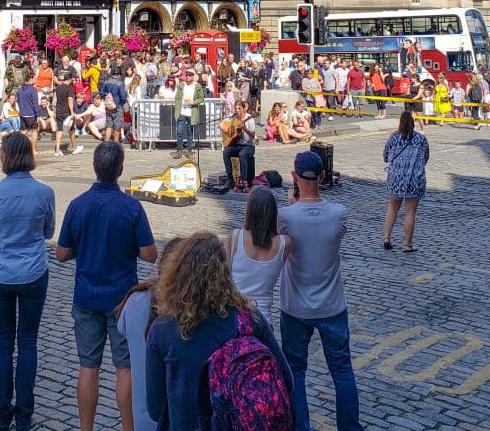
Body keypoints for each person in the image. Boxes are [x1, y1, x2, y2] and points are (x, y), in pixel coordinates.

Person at [146, 232, 292, 431]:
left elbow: (155, 408)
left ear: (177, 272)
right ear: (225, 272)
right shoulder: (249, 318)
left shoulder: (163, 330)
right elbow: (286, 379)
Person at [57, 141, 157, 431]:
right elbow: (150, 255)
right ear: (120, 169)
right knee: (124, 368)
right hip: (122, 299)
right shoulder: (131, 206)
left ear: (95, 168)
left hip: (87, 296)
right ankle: (129, 427)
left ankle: (86, 428)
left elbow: (61, 253)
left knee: (88, 367)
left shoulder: (77, 205)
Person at [278, 150, 364, 431]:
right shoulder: (339, 214)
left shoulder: (285, 217)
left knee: (296, 371)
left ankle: (302, 426)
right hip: (331, 305)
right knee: (341, 370)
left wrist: (292, 204)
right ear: (323, 176)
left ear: (294, 177)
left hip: (295, 306)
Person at [0, 133, 55, 431]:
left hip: (0, 271)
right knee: (27, 342)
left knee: (3, 342)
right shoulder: (44, 193)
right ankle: (24, 415)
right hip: (33, 271)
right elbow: (49, 231)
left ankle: (2, 414)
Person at [116, 239, 182, 431]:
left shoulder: (135, 301)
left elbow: (122, 327)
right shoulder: (188, 313)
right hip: (173, 418)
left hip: (142, 417)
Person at [225, 186, 291, 322]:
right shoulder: (284, 244)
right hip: (263, 319)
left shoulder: (235, 237)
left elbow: (223, 276)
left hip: (235, 316)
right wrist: (293, 204)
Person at [383, 110, 430, 252]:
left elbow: (385, 156)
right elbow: (426, 157)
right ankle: (407, 244)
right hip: (414, 179)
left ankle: (386, 237)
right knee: (410, 212)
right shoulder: (421, 139)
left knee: (392, 208)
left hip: (396, 177)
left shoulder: (394, 138)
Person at [222, 99, 256, 191]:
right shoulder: (233, 117)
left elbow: (253, 136)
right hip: (237, 145)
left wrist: (244, 129)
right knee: (226, 152)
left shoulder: (250, 118)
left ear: (244, 108)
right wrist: (225, 129)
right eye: (236, 108)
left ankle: (244, 180)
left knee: (242, 154)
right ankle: (230, 178)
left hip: (248, 146)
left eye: (239, 108)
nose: (237, 110)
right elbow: (221, 124)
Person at [171, 69, 204, 159]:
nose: (188, 76)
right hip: (182, 112)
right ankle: (179, 151)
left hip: (191, 112)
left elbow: (201, 98)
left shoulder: (197, 86)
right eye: (187, 75)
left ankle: (189, 151)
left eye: (190, 75)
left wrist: (193, 102)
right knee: (179, 131)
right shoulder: (182, 85)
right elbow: (177, 97)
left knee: (190, 132)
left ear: (193, 76)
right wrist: (177, 106)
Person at [17, 74, 41, 155]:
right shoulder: (33, 90)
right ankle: (33, 150)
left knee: (23, 132)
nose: (35, 79)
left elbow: (18, 101)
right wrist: (38, 115)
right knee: (34, 132)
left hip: (22, 113)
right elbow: (35, 104)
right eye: (34, 78)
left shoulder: (20, 89)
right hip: (31, 114)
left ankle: (19, 149)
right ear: (30, 78)